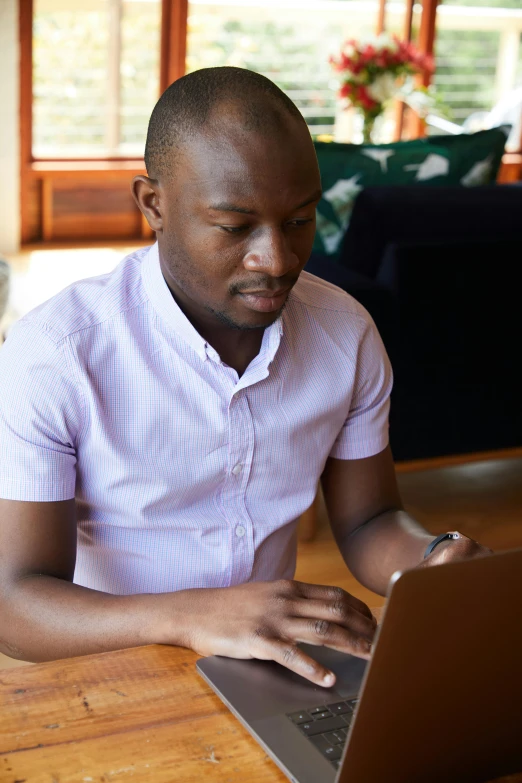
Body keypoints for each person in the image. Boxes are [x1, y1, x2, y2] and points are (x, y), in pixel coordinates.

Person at [0, 67, 488, 685]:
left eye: (299, 220)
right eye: (235, 228)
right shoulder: (57, 353)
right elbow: (15, 602)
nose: (276, 260)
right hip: (107, 666)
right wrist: (191, 617)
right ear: (154, 204)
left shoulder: (346, 334)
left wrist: (429, 559)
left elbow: (370, 522)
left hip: (270, 671)